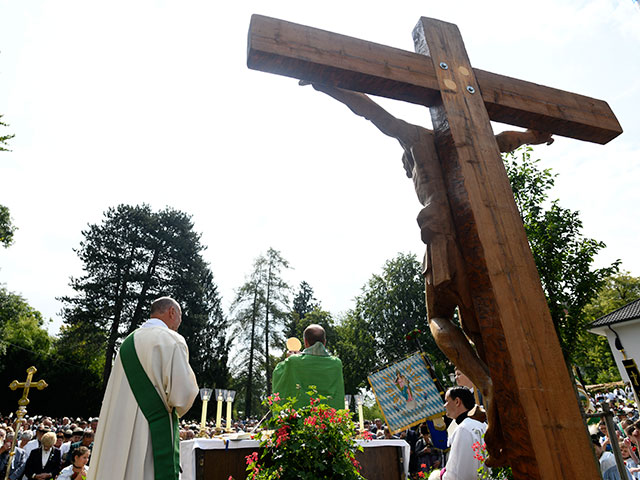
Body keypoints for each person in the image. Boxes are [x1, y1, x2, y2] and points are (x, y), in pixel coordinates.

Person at [87, 297, 199, 480]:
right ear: (171, 312)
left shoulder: (126, 343)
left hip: (117, 428)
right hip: (150, 431)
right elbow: (183, 395)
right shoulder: (172, 340)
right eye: (180, 317)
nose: (179, 323)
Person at [272, 324, 345, 411]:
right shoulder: (336, 363)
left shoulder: (293, 362)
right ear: (324, 342)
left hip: (301, 421)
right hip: (330, 420)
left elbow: (278, 374)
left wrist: (288, 360)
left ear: (305, 342)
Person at [441, 387, 487, 480]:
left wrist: (443, 476)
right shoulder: (482, 425)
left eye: (446, 401)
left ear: (457, 401)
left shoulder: (463, 429)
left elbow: (458, 474)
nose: (444, 405)